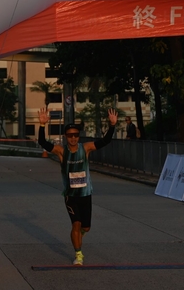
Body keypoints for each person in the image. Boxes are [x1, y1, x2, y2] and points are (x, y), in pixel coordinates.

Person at [37, 107, 118, 266]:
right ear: (66, 137)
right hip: (71, 196)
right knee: (76, 223)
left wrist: (112, 125)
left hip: (85, 194)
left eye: (75, 135)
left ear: (78, 136)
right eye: (70, 135)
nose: (73, 138)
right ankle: (78, 254)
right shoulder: (61, 151)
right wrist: (41, 125)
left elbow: (105, 141)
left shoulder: (85, 148)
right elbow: (43, 143)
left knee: (85, 227)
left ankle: (78, 236)